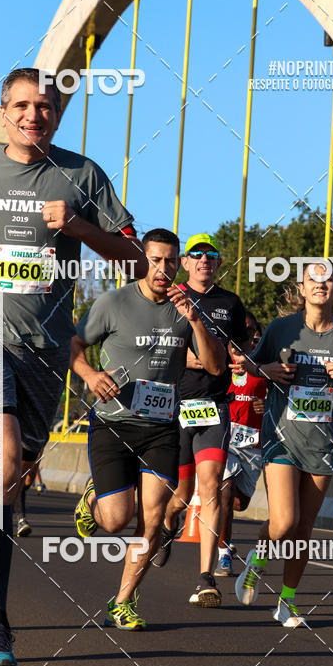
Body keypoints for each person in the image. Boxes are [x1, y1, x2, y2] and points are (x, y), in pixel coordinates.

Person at [0, 66, 148, 666]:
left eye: (45, 106)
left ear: (57, 113)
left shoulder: (83, 175)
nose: (34, 115)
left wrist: (77, 226)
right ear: (3, 112)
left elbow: (135, 259)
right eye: (21, 105)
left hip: (46, 350)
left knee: (9, 475)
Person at [71, 228, 225, 629]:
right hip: (114, 423)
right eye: (155, 260)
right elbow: (72, 346)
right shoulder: (113, 302)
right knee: (115, 520)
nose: (163, 268)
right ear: (143, 260)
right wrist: (89, 374)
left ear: (180, 264)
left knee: (153, 519)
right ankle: (92, 501)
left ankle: (123, 601)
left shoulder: (186, 306)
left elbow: (214, 366)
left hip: (161, 428)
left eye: (171, 261)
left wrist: (195, 319)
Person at [234, 262, 333, 627]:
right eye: (313, 279)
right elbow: (250, 364)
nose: (320, 284)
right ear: (302, 287)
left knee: (304, 529)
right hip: (281, 438)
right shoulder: (283, 329)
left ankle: (286, 601)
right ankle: (258, 559)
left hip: (323, 444)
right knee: (285, 522)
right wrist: (267, 371)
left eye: (328, 278)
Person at [151, 234, 250, 607]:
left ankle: (205, 577)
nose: (205, 259)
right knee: (179, 494)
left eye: (211, 254)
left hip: (214, 406)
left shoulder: (230, 303)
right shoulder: (169, 295)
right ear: (186, 263)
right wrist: (189, 359)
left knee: (211, 488)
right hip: (174, 405)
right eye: (197, 254)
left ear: (218, 264)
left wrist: (238, 357)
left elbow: (238, 347)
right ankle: (166, 525)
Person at [216, 312, 266, 576]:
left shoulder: (264, 365)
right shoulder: (220, 363)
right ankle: (224, 554)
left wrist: (266, 405)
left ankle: (226, 536)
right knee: (225, 489)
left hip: (252, 444)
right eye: (241, 332)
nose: (247, 338)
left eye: (252, 334)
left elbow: (283, 400)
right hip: (223, 438)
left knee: (238, 503)